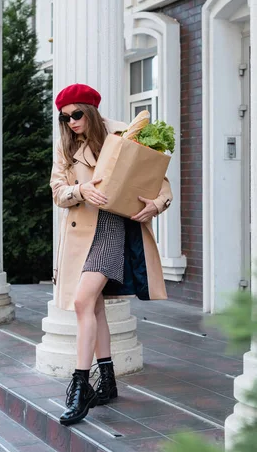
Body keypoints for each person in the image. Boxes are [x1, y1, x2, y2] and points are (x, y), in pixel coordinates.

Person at [50, 83, 173, 425]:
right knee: (94, 306)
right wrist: (81, 189)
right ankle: (107, 381)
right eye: (65, 117)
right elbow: (58, 190)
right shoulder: (66, 147)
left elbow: (159, 180)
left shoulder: (126, 134)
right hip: (81, 232)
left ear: (90, 110)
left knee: (82, 301)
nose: (71, 122)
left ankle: (79, 385)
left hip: (113, 228)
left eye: (76, 114)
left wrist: (156, 204)